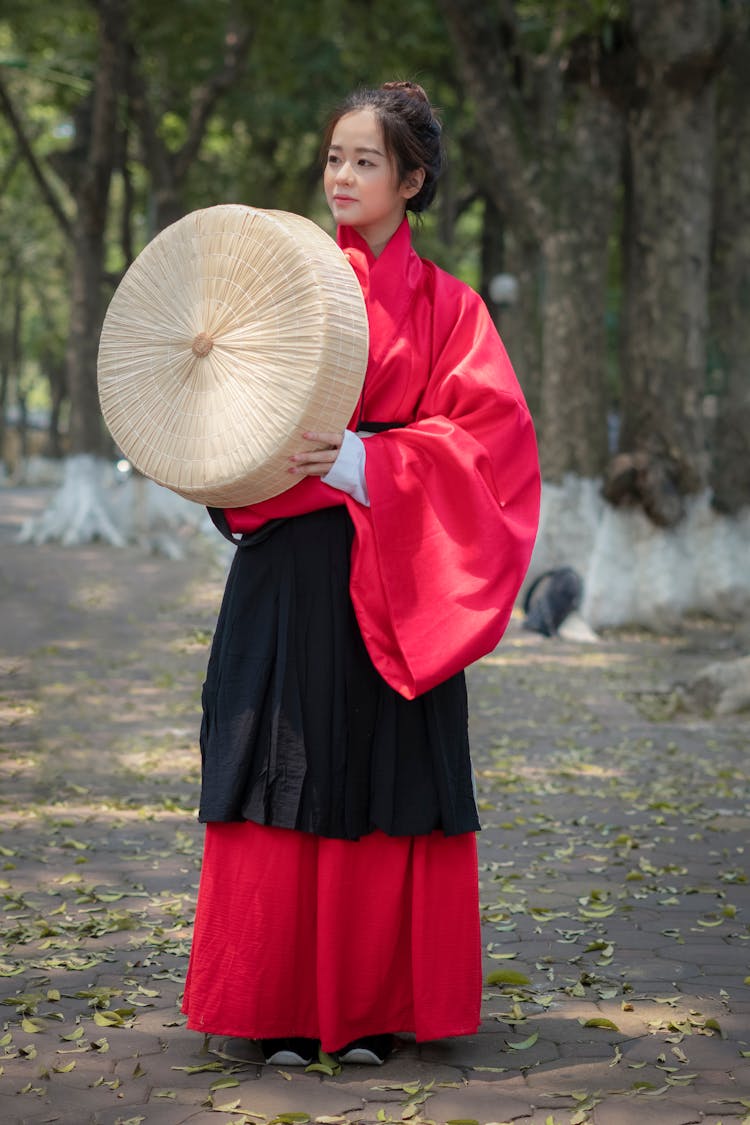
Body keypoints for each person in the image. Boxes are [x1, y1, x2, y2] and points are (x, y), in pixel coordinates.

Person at [181, 81, 540, 1068]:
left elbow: (493, 456)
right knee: (279, 765)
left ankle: (376, 1007)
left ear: (412, 181)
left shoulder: (451, 309)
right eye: (334, 158)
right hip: (288, 575)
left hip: (396, 571)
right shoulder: (279, 288)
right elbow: (222, 417)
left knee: (387, 776)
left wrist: (361, 462)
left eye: (366, 161)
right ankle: (280, 1007)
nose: (342, 176)